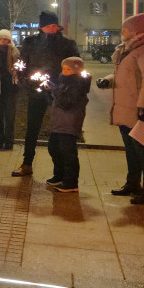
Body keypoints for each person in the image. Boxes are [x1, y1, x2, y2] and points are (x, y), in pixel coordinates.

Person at [96, 13, 144, 205]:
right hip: (126, 107)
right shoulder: (128, 49)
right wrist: (107, 80)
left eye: (125, 29)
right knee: (130, 148)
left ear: (135, 30)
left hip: (138, 109)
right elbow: (123, 74)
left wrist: (143, 107)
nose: (122, 32)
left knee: (142, 149)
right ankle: (133, 183)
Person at [13, 11, 80, 177]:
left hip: (58, 93)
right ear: (41, 27)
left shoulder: (67, 44)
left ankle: (60, 170)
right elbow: (21, 64)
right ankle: (27, 163)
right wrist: (24, 81)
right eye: (48, 26)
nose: (52, 29)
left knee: (60, 129)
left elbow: (77, 65)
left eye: (54, 26)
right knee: (32, 128)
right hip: (36, 91)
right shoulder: (30, 43)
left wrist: (66, 84)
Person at [46, 57, 90, 193]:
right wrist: (49, 89)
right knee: (54, 148)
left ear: (76, 71)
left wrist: (53, 90)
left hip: (70, 122)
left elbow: (66, 102)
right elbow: (55, 100)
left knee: (68, 152)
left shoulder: (77, 84)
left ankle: (71, 182)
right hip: (59, 121)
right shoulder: (63, 81)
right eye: (63, 68)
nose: (65, 72)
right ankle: (59, 175)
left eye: (69, 69)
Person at [0, 29, 20, 150]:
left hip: (10, 86)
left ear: (9, 40)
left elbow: (20, 68)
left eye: (5, 39)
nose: (3, 41)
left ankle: (9, 141)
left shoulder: (15, 52)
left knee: (10, 116)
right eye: (1, 39)